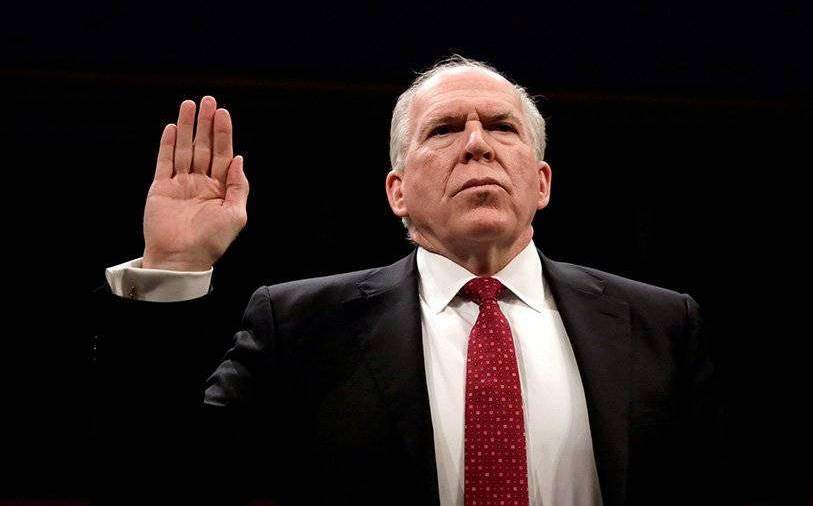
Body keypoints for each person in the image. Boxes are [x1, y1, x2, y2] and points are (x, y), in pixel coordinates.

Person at [92, 56, 722, 506]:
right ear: (397, 192)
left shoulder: (661, 324)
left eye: (502, 127)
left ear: (542, 183)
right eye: (444, 130)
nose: (476, 145)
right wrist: (173, 265)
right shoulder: (301, 325)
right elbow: (162, 473)